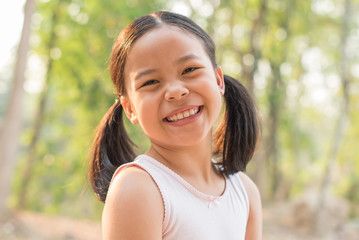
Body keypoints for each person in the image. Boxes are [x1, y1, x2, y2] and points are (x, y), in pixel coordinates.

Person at [89, 11, 262, 240]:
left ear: (218, 79)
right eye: (151, 82)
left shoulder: (244, 192)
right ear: (130, 108)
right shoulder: (139, 188)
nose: (175, 91)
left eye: (189, 70)